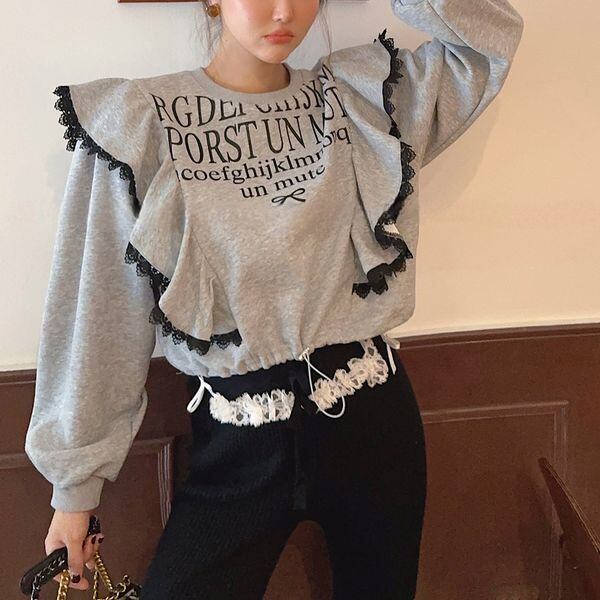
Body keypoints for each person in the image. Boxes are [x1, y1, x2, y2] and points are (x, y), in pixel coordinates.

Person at [24, 0, 524, 597]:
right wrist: (74, 493)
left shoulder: (360, 99)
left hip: (374, 423)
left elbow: (489, 44)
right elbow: (99, 315)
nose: (284, 10)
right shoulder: (140, 122)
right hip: (237, 442)